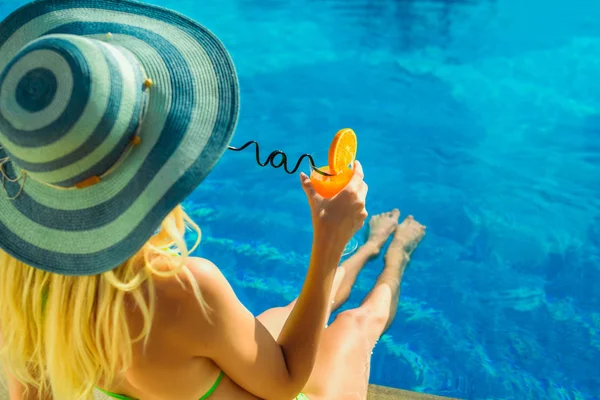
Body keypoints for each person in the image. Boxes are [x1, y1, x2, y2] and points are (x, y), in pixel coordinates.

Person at [0, 0, 426, 399]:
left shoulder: (18, 282)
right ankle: (393, 254)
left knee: (294, 309)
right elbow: (283, 385)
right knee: (354, 324)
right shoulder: (183, 288)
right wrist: (329, 240)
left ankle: (369, 247)